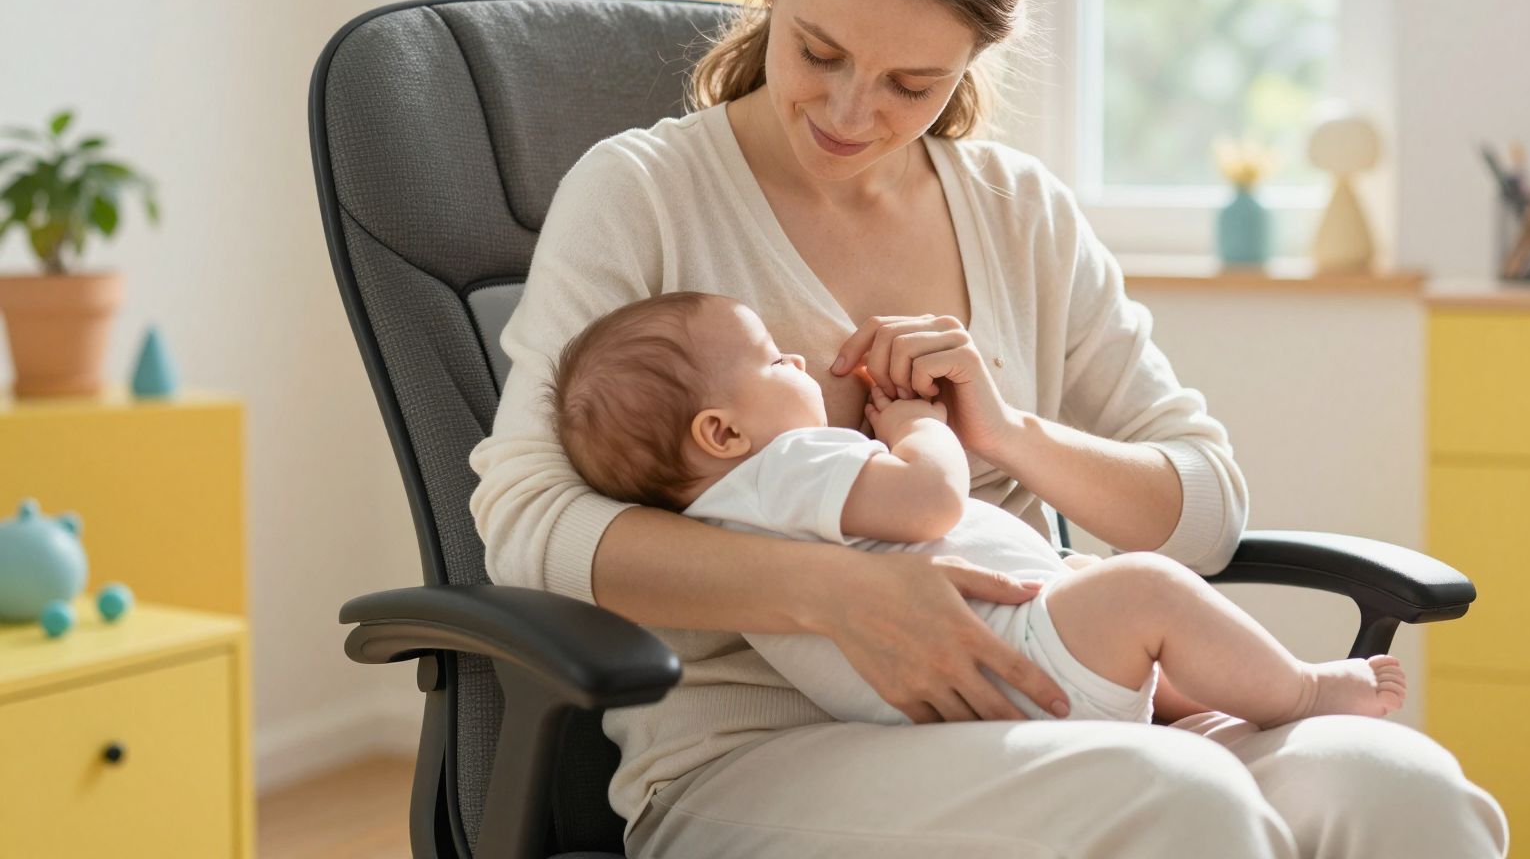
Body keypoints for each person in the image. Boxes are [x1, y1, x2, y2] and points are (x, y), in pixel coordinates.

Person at [469, 0, 1508, 858]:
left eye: (911, 84)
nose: (848, 110)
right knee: (1179, 804)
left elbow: (1199, 508)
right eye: (816, 51)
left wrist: (1008, 433)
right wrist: (842, 596)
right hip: (758, 749)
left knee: (1400, 789)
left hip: (1066, 706)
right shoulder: (642, 194)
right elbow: (523, 523)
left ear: (972, 60)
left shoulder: (1018, 212)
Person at [547, 289, 1411, 731]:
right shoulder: (785, 469)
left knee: (1092, 581)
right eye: (777, 361)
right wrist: (921, 430)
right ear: (722, 430)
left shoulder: (727, 512)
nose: (803, 361)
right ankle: (1299, 691)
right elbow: (929, 504)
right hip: (1011, 659)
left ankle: (1183, 707)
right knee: (1144, 589)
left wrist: (1009, 430)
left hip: (976, 686)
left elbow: (1207, 498)